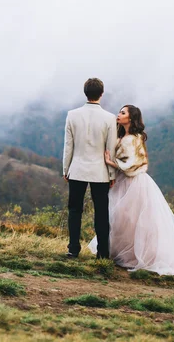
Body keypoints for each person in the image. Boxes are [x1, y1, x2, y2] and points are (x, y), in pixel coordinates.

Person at [89, 104, 174, 275]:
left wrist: (111, 163)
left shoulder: (134, 138)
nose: (118, 115)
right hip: (124, 181)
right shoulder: (125, 136)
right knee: (119, 219)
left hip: (134, 182)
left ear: (131, 118)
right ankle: (118, 253)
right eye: (119, 112)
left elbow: (132, 163)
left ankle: (134, 256)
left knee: (131, 219)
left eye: (122, 113)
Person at [63, 78, 118, 259]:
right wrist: (112, 174)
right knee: (101, 213)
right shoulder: (110, 118)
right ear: (102, 94)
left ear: (85, 92)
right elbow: (110, 149)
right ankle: (102, 253)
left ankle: (73, 249)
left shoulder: (72, 115)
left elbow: (68, 146)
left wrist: (66, 169)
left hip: (77, 168)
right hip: (100, 171)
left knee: (75, 210)